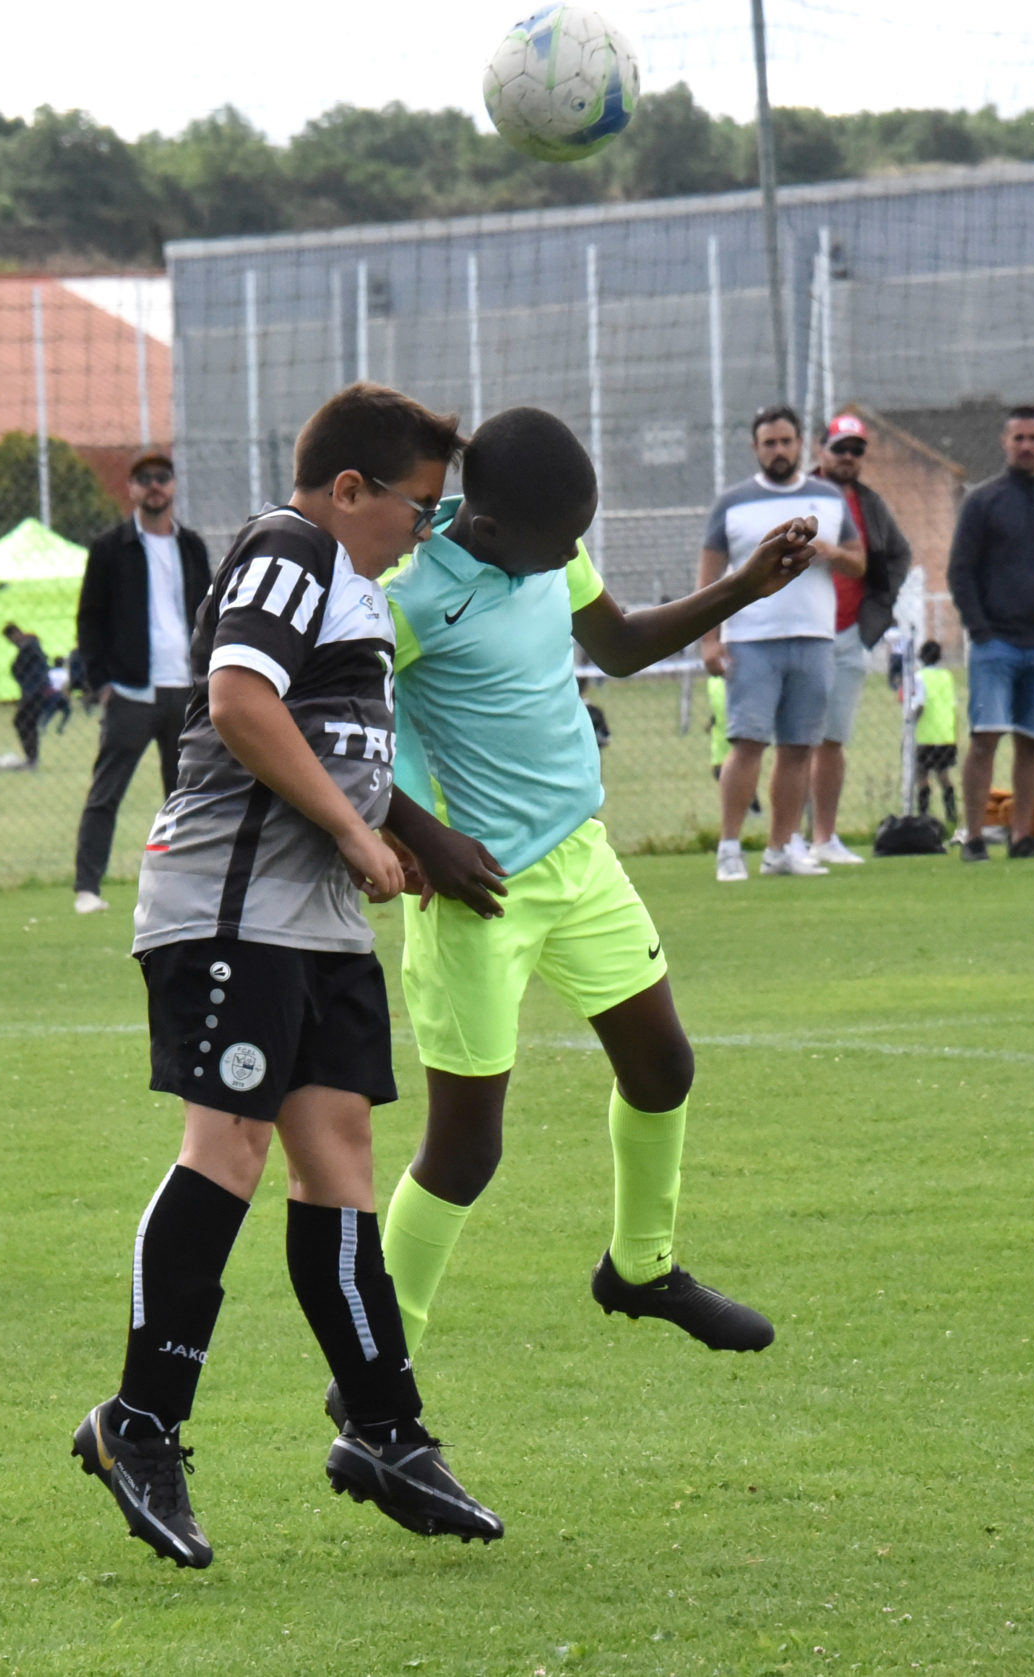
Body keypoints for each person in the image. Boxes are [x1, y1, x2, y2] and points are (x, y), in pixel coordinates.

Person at [73, 383, 499, 1571]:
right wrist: (358, 832)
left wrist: (389, 831)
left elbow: (330, 736)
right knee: (229, 1150)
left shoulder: (355, 583)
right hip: (230, 902)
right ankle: (138, 1423)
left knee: (340, 1160)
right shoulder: (290, 543)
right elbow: (239, 701)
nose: (425, 528)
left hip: (312, 919)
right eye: (418, 506)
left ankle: (386, 1431)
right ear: (351, 488)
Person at [378, 405, 804, 1390]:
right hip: (477, 893)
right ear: (489, 527)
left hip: (581, 860)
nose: (573, 556)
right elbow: (336, 726)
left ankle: (640, 1268)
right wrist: (422, 835)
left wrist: (740, 587)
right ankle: (377, 1374)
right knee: (464, 1149)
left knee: (663, 1068)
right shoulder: (409, 596)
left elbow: (616, 645)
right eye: (560, 541)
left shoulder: (547, 554)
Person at [698, 404, 862, 881]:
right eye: (769, 443)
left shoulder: (828, 498)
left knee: (798, 748)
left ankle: (780, 848)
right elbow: (709, 576)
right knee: (747, 743)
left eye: (786, 441)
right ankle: (730, 848)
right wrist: (709, 640)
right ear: (755, 448)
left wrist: (832, 552)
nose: (778, 450)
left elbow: (858, 562)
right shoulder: (732, 503)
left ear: (801, 445)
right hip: (751, 639)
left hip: (814, 639)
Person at [74, 450, 209, 915]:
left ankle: (183, 885)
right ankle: (87, 888)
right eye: (144, 478)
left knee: (187, 796)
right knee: (106, 793)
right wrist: (101, 683)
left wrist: (207, 676)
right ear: (131, 489)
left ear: (173, 486)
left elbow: (210, 614)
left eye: (162, 477)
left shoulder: (191, 546)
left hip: (186, 691)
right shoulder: (110, 548)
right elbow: (89, 619)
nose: (155, 485)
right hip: (131, 692)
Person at [948, 406, 1034, 861]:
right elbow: (961, 570)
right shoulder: (982, 502)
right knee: (984, 740)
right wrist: (980, 630)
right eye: (1018, 438)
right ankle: (973, 838)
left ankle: (1023, 837)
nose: (1025, 446)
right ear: (1005, 443)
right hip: (996, 645)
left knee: (1031, 742)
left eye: (1033, 438)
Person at [805, 413, 914, 865]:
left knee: (833, 740)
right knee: (795, 742)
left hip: (849, 634)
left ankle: (824, 837)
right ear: (820, 451)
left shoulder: (869, 504)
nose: (848, 457)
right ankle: (786, 840)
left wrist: (876, 612)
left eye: (856, 450)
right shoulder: (798, 493)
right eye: (840, 449)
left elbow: (897, 555)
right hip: (802, 633)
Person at [905, 639, 960, 823]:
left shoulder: (919, 677)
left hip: (926, 735)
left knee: (922, 774)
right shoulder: (947, 676)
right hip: (946, 734)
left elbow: (920, 703)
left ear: (921, 657)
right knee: (944, 775)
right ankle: (951, 813)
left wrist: (910, 719)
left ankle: (923, 815)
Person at [2, 622, 52, 770]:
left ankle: (32, 759)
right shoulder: (31, 645)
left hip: (35, 691)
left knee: (22, 721)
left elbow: (17, 668)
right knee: (26, 722)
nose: (11, 642)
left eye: (10, 639)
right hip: (35, 690)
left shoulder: (29, 647)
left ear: (16, 633)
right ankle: (32, 758)